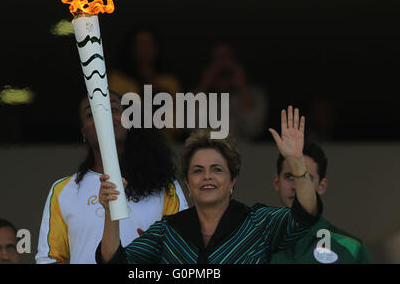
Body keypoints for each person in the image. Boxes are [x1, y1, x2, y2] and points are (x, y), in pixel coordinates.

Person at [96, 106, 323, 264]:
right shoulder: (168, 231)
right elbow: (114, 261)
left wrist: (296, 163)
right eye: (198, 170)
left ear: (233, 179)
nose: (207, 177)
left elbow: (304, 215)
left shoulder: (258, 223)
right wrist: (110, 213)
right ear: (187, 182)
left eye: (217, 169)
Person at [35, 91, 188, 264]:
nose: (104, 115)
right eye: (91, 113)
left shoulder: (164, 187)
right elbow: (48, 259)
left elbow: (183, 252)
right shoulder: (64, 190)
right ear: (83, 132)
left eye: (113, 109)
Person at [270, 141, 373, 264]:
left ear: (321, 186)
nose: (297, 186)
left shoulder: (351, 249)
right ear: (277, 182)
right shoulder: (251, 242)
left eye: (306, 177)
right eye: (289, 177)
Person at [108, 24, 184, 143]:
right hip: (129, 146)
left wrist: (161, 95)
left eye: (149, 45)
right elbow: (115, 119)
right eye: (140, 45)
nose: (145, 50)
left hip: (164, 147)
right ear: (131, 49)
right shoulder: (118, 80)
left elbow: (177, 126)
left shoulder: (169, 83)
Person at [195, 41, 268, 142]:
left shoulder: (255, 95)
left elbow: (253, 129)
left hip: (246, 153)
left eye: (226, 57)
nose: (222, 64)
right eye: (217, 58)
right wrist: (205, 83)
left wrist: (242, 88)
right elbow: (192, 129)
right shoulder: (197, 96)